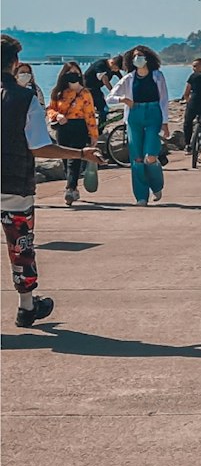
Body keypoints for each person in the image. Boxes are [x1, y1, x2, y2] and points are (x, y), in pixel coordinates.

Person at [2, 36, 98, 325]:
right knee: (21, 246)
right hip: (14, 184)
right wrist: (81, 153)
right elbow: (39, 147)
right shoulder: (24, 99)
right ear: (15, 63)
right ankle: (27, 307)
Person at [110, 45, 171, 204]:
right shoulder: (129, 78)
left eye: (141, 55)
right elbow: (109, 98)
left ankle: (156, 185)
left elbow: (164, 99)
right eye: (135, 56)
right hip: (134, 116)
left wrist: (165, 122)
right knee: (136, 159)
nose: (138, 58)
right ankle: (141, 196)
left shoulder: (157, 76)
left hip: (153, 113)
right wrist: (122, 100)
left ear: (148, 58)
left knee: (150, 156)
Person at [47, 62, 100, 205]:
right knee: (64, 158)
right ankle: (73, 186)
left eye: (76, 72)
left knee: (74, 159)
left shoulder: (85, 93)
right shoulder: (58, 92)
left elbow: (90, 115)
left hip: (79, 127)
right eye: (70, 72)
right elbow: (50, 109)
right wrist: (57, 116)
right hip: (63, 128)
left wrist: (94, 134)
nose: (73, 75)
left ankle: (70, 188)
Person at [83, 58, 114, 128]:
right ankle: (98, 129)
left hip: (97, 89)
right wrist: (113, 92)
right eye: (116, 68)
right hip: (88, 88)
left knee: (104, 109)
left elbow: (121, 79)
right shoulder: (100, 65)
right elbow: (105, 80)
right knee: (102, 109)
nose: (116, 70)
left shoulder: (113, 68)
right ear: (112, 63)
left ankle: (100, 128)